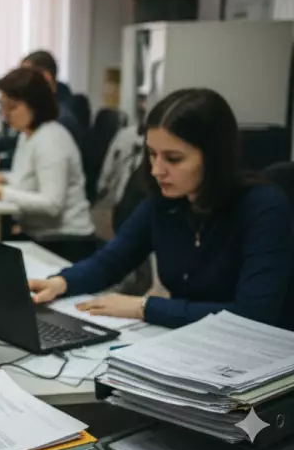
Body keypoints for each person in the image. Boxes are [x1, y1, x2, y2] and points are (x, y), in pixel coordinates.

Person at [29, 89, 294, 330]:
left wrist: (144, 307)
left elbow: (253, 315)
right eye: (152, 154)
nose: (156, 170)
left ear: (214, 157)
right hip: (192, 342)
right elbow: (111, 261)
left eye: (173, 158)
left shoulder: (264, 210)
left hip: (259, 357)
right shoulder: (166, 201)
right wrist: (61, 283)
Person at [0, 68, 94, 239]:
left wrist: (0, 193)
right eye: (3, 106)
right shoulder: (27, 134)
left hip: (65, 239)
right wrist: (6, 180)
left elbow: (52, 204)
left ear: (35, 105)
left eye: (12, 107)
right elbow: (33, 182)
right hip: (41, 233)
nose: (5, 114)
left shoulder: (51, 139)